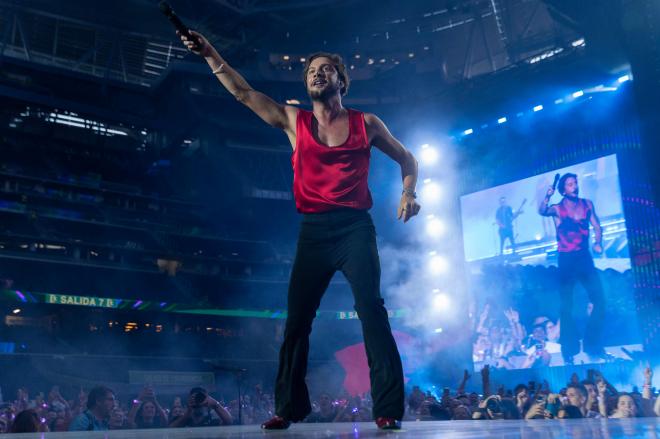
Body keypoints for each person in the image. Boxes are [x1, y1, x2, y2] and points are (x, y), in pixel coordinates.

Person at [178, 26, 420, 431]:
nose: (317, 74)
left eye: (326, 69)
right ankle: (288, 408)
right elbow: (243, 93)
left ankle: (388, 408)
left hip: (354, 227)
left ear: (342, 80)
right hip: (314, 230)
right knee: (297, 320)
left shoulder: (367, 123)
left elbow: (408, 159)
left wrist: (408, 192)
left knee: (372, 311)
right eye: (311, 70)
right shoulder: (294, 120)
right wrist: (208, 52)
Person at [538, 173, 605, 364]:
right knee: (566, 305)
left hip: (584, 257)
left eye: (575, 183)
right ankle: (570, 347)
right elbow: (542, 210)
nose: (574, 187)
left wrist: (598, 243)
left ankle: (592, 343)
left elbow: (597, 226)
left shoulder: (587, 204)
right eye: (569, 184)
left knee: (599, 299)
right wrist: (547, 196)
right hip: (566, 259)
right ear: (563, 189)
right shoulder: (557, 209)